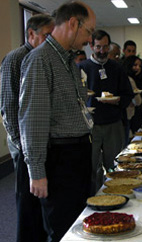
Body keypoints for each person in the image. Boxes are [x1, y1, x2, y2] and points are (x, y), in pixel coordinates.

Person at [18, 2, 96, 241]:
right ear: (73, 23)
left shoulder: (68, 61)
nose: (89, 39)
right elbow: (32, 120)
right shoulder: (40, 60)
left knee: (79, 225)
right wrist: (37, 172)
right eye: (89, 31)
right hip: (59, 160)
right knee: (62, 229)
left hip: (77, 155)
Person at [0, 14, 54, 242]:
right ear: (31, 34)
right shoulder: (16, 59)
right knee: (27, 203)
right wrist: (24, 146)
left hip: (41, 143)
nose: (50, 41)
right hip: (24, 146)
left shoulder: (42, 57)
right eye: (46, 36)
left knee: (43, 201)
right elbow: (8, 107)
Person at [78, 30, 134, 194]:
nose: (102, 51)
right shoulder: (82, 68)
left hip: (113, 123)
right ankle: (91, 200)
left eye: (105, 47)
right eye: (98, 47)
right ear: (91, 46)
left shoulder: (117, 68)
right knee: (90, 167)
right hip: (90, 125)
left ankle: (115, 197)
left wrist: (118, 101)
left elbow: (128, 94)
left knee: (114, 166)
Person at [121, 40, 142, 133]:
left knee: (139, 128)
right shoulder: (120, 65)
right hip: (125, 104)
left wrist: (136, 87)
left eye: (133, 51)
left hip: (139, 99)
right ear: (124, 51)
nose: (131, 53)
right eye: (129, 51)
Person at [122, 55, 142, 145]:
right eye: (135, 65)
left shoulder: (126, 78)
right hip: (125, 116)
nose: (137, 68)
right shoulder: (130, 80)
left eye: (139, 66)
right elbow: (137, 101)